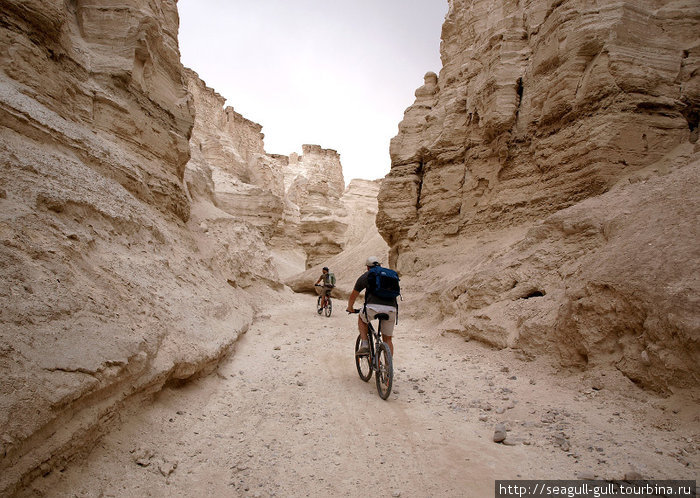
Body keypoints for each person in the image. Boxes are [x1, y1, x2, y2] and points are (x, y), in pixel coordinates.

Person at [346, 256, 398, 356]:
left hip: (373, 308)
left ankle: (365, 344)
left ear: (368, 267)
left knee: (362, 319)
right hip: (391, 309)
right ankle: (388, 368)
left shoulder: (367, 275)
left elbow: (354, 295)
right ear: (380, 265)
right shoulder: (390, 275)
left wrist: (350, 308)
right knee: (387, 339)